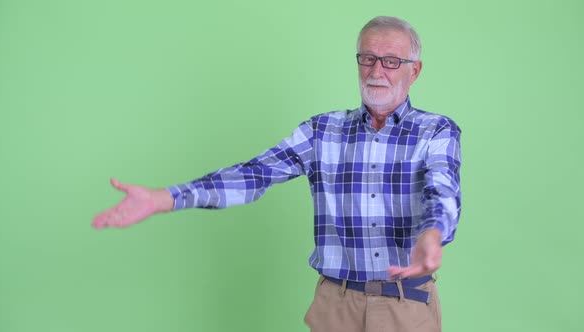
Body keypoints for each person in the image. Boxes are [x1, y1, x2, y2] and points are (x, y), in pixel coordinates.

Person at [92, 16, 461, 332]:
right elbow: (255, 174)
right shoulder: (322, 131)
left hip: (406, 304)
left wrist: (433, 233)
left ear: (415, 70)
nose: (377, 71)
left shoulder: (436, 131)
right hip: (336, 303)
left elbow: (441, 189)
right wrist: (165, 198)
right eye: (368, 58)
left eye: (392, 61)